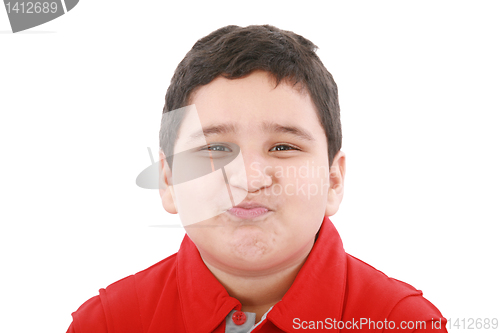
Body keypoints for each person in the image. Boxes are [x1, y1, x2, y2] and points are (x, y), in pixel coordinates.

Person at [66, 24, 447, 332]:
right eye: (214, 149)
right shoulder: (108, 323)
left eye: (283, 147)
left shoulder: (403, 323)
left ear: (333, 180)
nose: (249, 179)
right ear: (168, 181)